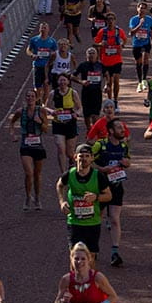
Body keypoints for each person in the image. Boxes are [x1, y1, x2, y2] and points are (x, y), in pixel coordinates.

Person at [58, 143, 114, 263]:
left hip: (92, 222)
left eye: (87, 156)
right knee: (74, 256)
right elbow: (59, 185)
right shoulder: (70, 174)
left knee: (91, 256)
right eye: (81, 156)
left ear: (92, 158)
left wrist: (96, 197)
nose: (84, 159)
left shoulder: (98, 176)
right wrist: (62, 202)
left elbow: (109, 196)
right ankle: (75, 281)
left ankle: (90, 281)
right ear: (75, 157)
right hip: (74, 221)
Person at [91, 117, 132, 267]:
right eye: (119, 128)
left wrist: (127, 163)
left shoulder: (123, 146)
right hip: (99, 188)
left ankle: (115, 252)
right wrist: (101, 169)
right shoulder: (99, 145)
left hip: (116, 187)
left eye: (123, 128)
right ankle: (93, 249)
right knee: (97, 219)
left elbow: (128, 160)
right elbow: (86, 161)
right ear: (110, 131)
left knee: (115, 219)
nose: (122, 130)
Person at [53, 241, 119, 303]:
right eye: (76, 258)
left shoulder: (97, 277)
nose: (79, 262)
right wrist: (63, 301)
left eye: (83, 259)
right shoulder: (66, 279)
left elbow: (113, 296)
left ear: (89, 259)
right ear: (71, 259)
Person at [10, 93, 51, 210]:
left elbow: (46, 129)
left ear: (36, 98)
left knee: (37, 174)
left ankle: (37, 198)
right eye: (28, 96)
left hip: (38, 145)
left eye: (32, 96)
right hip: (25, 145)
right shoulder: (20, 111)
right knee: (29, 173)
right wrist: (12, 134)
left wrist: (40, 122)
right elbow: (12, 122)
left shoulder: (41, 111)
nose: (30, 99)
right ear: (25, 98)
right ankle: (28, 197)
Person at [50, 73, 85, 171]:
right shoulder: (53, 93)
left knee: (70, 153)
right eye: (60, 80)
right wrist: (51, 111)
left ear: (68, 82)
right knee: (61, 148)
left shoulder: (73, 93)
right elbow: (46, 106)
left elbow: (80, 108)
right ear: (57, 82)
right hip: (58, 124)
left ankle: (71, 161)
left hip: (70, 124)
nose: (62, 82)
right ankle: (63, 173)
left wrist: (76, 114)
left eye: (64, 80)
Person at [95, 14, 127, 104]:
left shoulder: (119, 31)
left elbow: (125, 39)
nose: (110, 21)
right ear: (106, 21)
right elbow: (95, 43)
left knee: (116, 80)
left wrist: (122, 45)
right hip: (105, 60)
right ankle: (110, 100)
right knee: (109, 82)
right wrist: (101, 44)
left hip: (117, 60)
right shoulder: (102, 32)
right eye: (108, 19)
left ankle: (115, 100)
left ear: (115, 20)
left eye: (112, 19)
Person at [77, 46, 107, 125]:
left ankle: (95, 130)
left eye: (93, 53)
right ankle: (88, 130)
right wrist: (81, 81)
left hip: (97, 93)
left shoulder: (100, 65)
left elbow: (107, 75)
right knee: (87, 114)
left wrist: (107, 85)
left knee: (95, 114)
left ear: (97, 55)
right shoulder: (83, 65)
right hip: (86, 93)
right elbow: (72, 76)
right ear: (86, 55)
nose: (91, 55)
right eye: (89, 53)